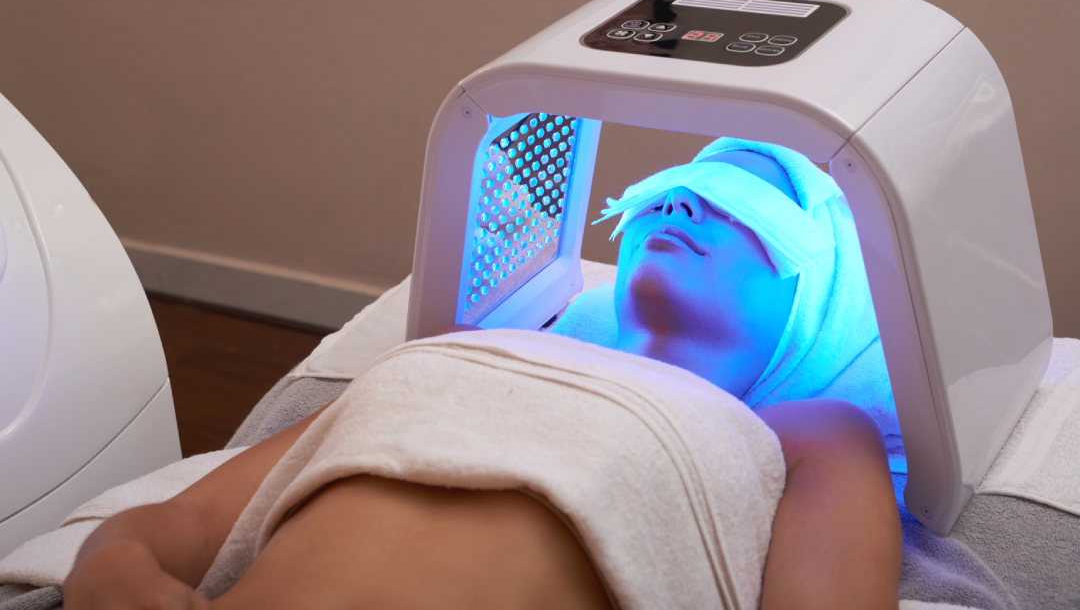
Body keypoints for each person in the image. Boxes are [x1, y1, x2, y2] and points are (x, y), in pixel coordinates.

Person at [63, 142, 902, 610]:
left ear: (819, 294)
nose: (681, 201)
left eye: (737, 200)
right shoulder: (463, 355)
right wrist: (113, 571)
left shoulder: (803, 432)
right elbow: (180, 520)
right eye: (672, 189)